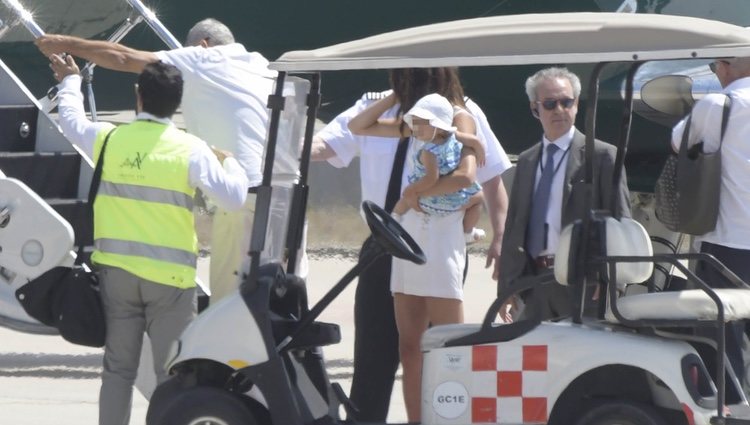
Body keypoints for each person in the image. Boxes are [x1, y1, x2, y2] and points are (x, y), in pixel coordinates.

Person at [48, 55, 248, 425]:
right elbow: (234, 198)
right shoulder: (191, 150)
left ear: (138, 95)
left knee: (118, 371)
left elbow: (72, 123)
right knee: (173, 376)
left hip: (118, 277)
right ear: (178, 103)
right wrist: (231, 161)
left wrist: (71, 81)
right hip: (171, 284)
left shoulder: (109, 139)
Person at [312, 67, 511, 422]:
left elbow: (486, 179)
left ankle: (448, 418)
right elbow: (337, 138)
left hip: (437, 242)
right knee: (384, 350)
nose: (411, 79)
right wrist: (394, 98)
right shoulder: (395, 115)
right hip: (384, 243)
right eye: (403, 73)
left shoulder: (461, 113)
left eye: (418, 73)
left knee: (445, 348)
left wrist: (500, 236)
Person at [36, 18, 283, 304]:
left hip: (244, 196)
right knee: (279, 291)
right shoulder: (262, 66)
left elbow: (124, 57)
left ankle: (229, 349)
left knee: (230, 304)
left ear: (202, 45)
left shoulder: (204, 58)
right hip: (285, 192)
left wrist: (67, 46)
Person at [498, 67, 631, 322]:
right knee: (533, 360)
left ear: (577, 104)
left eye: (566, 102)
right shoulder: (527, 160)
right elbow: (514, 224)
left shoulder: (602, 156)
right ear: (535, 108)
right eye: (550, 104)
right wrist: (506, 287)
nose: (559, 110)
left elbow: (620, 220)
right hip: (533, 284)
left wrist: (613, 281)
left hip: (584, 285)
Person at [672, 57, 750, 385]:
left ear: (727, 65)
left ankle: (730, 411)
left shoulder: (719, 105)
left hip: (726, 244)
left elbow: (678, 142)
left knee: (723, 343)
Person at [348, 92, 486, 242]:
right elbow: (474, 141)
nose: (415, 127)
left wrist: (412, 192)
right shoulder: (442, 132)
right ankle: (468, 231)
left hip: (435, 211)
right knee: (478, 198)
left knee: (404, 201)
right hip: (443, 206)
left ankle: (393, 221)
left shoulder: (433, 143)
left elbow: (451, 178)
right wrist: (480, 154)